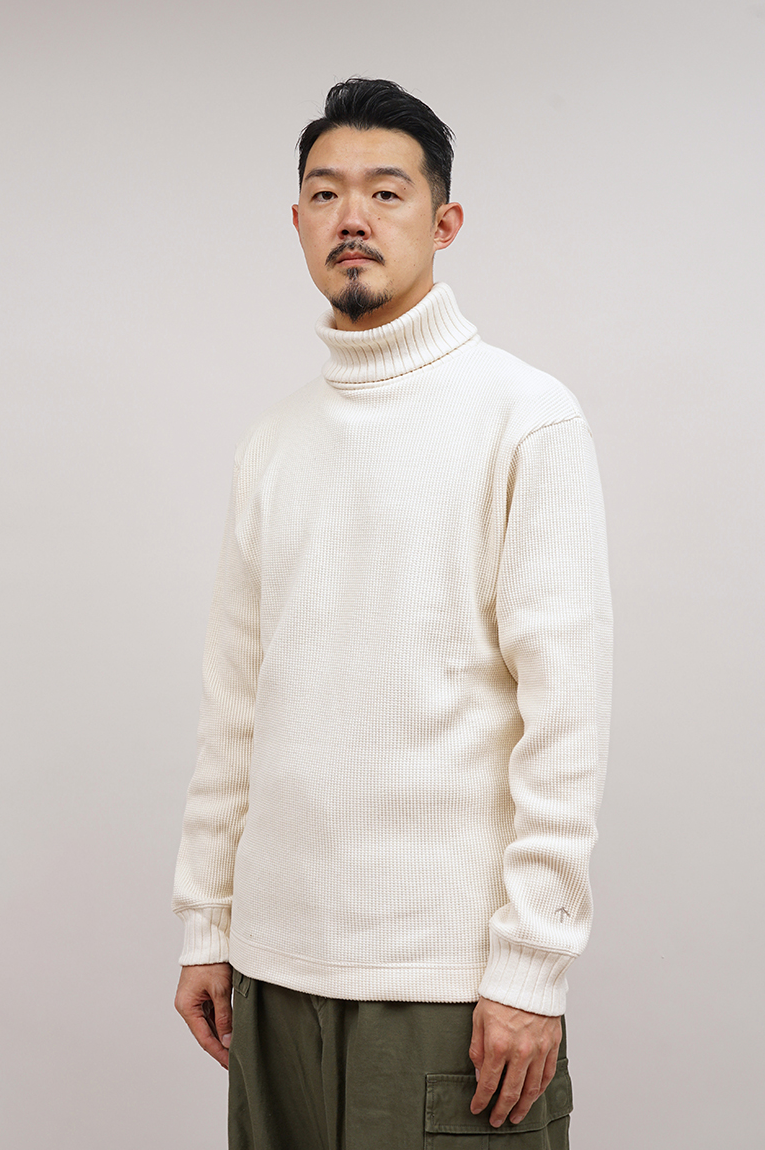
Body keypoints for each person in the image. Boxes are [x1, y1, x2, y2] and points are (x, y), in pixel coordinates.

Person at [173, 77, 612, 1149]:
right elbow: (236, 709)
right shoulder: (273, 443)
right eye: (326, 194)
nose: (352, 218)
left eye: (385, 191)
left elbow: (566, 720)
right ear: (297, 222)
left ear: (444, 222)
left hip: (446, 984)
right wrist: (207, 924)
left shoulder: (525, 418)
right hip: (273, 975)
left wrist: (531, 968)